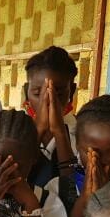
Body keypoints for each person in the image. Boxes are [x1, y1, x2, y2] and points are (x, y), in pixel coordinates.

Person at [22, 46, 79, 187]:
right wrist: (39, 129)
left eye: (57, 94)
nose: (47, 101)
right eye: (37, 94)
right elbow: (14, 177)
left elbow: (75, 188)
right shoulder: (15, 127)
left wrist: (59, 132)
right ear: (26, 91)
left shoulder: (82, 132)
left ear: (71, 91)